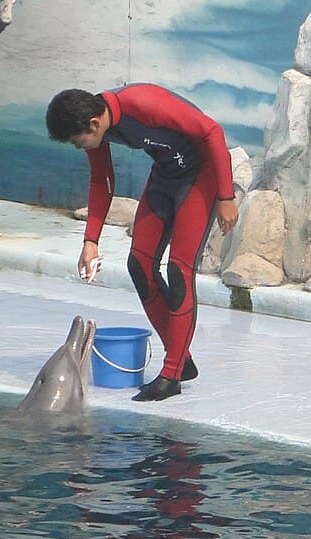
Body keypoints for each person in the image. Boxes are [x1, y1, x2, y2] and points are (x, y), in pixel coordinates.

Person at [46, 86, 238, 402]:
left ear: (93, 124)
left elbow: (212, 132)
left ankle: (171, 374)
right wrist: (90, 240)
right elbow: (100, 181)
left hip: (200, 176)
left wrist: (226, 196)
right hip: (165, 177)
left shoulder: (142, 103)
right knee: (139, 265)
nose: (81, 147)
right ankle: (182, 360)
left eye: (79, 142)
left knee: (179, 271)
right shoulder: (98, 125)